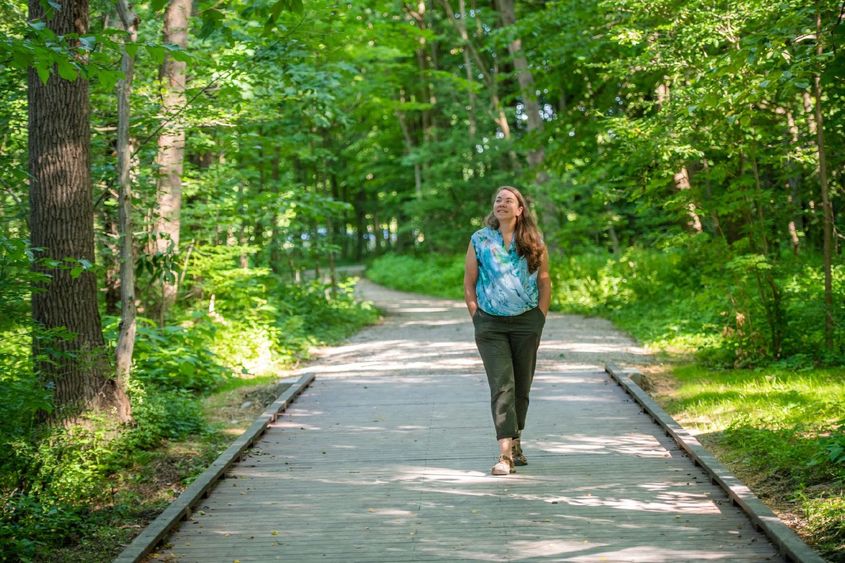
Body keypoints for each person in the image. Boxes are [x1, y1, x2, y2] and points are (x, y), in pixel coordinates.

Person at [464, 186, 551, 476]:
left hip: (527, 322)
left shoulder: (534, 240)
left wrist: (539, 316)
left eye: (508, 200)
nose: (501, 204)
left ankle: (516, 442)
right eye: (498, 200)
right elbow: (469, 282)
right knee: (502, 385)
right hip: (491, 324)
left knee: (521, 387)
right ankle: (505, 456)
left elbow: (545, 282)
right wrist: (478, 316)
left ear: (520, 209)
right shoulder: (479, 239)